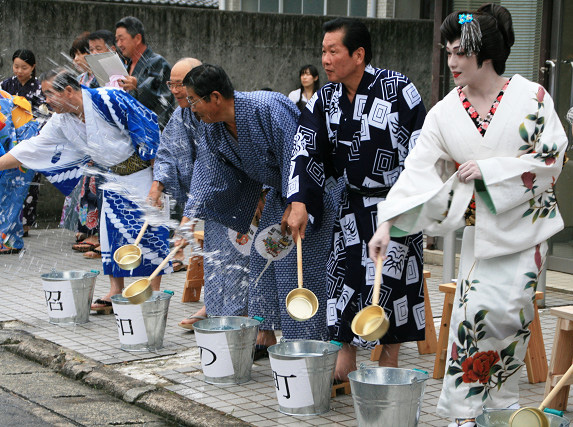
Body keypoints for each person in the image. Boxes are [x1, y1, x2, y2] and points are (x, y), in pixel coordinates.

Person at [368, 5, 567, 426]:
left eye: (460, 52)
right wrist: (387, 223)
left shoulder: (532, 97)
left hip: (526, 234)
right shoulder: (443, 113)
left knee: (512, 317)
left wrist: (491, 171)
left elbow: (551, 158)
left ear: (486, 54)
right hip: (481, 237)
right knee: (473, 317)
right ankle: (463, 413)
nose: (452, 62)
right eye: (448, 52)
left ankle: (500, 405)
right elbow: (417, 171)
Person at [286, 18, 427, 382]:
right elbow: (306, 150)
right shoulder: (325, 98)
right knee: (344, 279)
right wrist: (299, 201)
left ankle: (388, 364)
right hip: (351, 205)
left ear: (358, 54)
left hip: (396, 204)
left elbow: (421, 155)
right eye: (323, 52)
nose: (326, 60)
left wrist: (406, 204)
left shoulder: (400, 90)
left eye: (333, 51)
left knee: (393, 285)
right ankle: (345, 359)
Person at [180, 64, 338, 347]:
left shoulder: (266, 107)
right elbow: (211, 171)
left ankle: (306, 342)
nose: (191, 107)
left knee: (295, 267)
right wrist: (189, 218)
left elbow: (298, 154)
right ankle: (264, 335)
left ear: (215, 97)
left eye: (193, 100)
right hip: (280, 194)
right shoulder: (214, 129)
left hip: (314, 191)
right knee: (263, 255)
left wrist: (297, 200)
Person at [0, 69, 172, 314]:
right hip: (112, 177)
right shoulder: (61, 120)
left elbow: (149, 133)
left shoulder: (109, 98)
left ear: (69, 91)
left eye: (49, 94)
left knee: (150, 231)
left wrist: (158, 185)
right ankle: (115, 290)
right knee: (111, 233)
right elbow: (32, 148)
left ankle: (152, 293)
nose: (46, 101)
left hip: (144, 172)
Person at [148, 58, 252, 329]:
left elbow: (212, 166)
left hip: (240, 197)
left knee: (237, 258)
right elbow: (168, 153)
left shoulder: (217, 113)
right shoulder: (181, 115)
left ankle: (237, 319)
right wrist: (157, 184)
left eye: (182, 85)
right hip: (207, 197)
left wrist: (189, 219)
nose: (176, 91)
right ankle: (216, 311)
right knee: (216, 260)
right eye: (172, 84)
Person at [1, 49, 46, 241]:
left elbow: (43, 112)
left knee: (27, 185)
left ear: (33, 67)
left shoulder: (39, 87)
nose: (19, 71)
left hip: (29, 135)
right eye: (16, 66)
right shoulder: (5, 85)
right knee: (8, 186)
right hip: (8, 137)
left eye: (24, 67)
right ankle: (10, 229)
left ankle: (23, 224)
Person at [115, 16, 175, 129]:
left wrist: (138, 86)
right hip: (129, 131)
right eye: (117, 40)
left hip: (150, 132)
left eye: (122, 39)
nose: (119, 44)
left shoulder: (158, 63)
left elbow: (163, 101)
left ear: (137, 38)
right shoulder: (126, 66)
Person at [0, 89, 39, 254]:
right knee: (9, 194)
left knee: (9, 193)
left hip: (20, 143)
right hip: (16, 143)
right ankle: (11, 239)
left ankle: (8, 240)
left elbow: (6, 132)